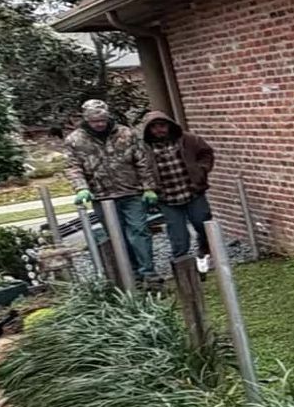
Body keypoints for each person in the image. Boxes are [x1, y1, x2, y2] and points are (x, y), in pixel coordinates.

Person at [63, 98, 152, 281]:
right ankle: (131, 273)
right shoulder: (75, 140)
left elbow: (142, 161)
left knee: (139, 231)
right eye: (95, 121)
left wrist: (149, 187)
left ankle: (148, 272)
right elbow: (73, 167)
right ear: (86, 119)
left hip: (131, 191)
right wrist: (81, 188)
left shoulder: (126, 133)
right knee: (116, 236)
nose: (100, 124)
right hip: (102, 196)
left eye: (102, 120)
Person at [139, 109, 218, 271]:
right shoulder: (143, 148)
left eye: (162, 126)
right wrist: (148, 188)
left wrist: (201, 170)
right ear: (148, 130)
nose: (158, 130)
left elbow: (206, 153)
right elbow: (138, 169)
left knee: (202, 224)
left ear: (169, 125)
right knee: (178, 234)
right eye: (153, 128)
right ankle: (182, 265)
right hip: (167, 198)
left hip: (193, 191)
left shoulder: (188, 140)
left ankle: (207, 254)